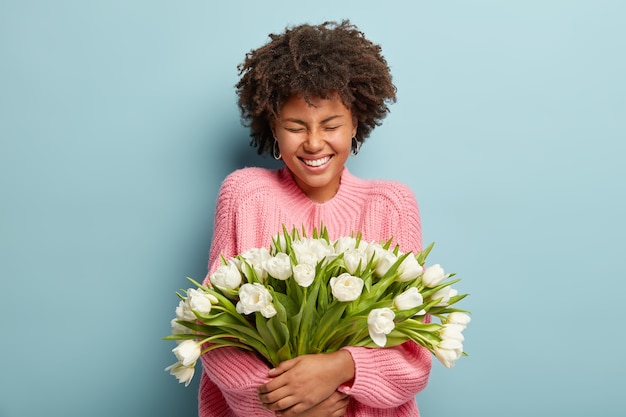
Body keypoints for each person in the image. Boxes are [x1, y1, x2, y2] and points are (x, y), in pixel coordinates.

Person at [200, 20, 432, 417]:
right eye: (295, 127)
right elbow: (214, 332)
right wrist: (286, 402)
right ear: (273, 126)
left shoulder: (391, 205)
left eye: (331, 125)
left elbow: (414, 352)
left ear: (356, 123)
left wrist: (342, 368)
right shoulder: (245, 195)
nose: (313, 142)